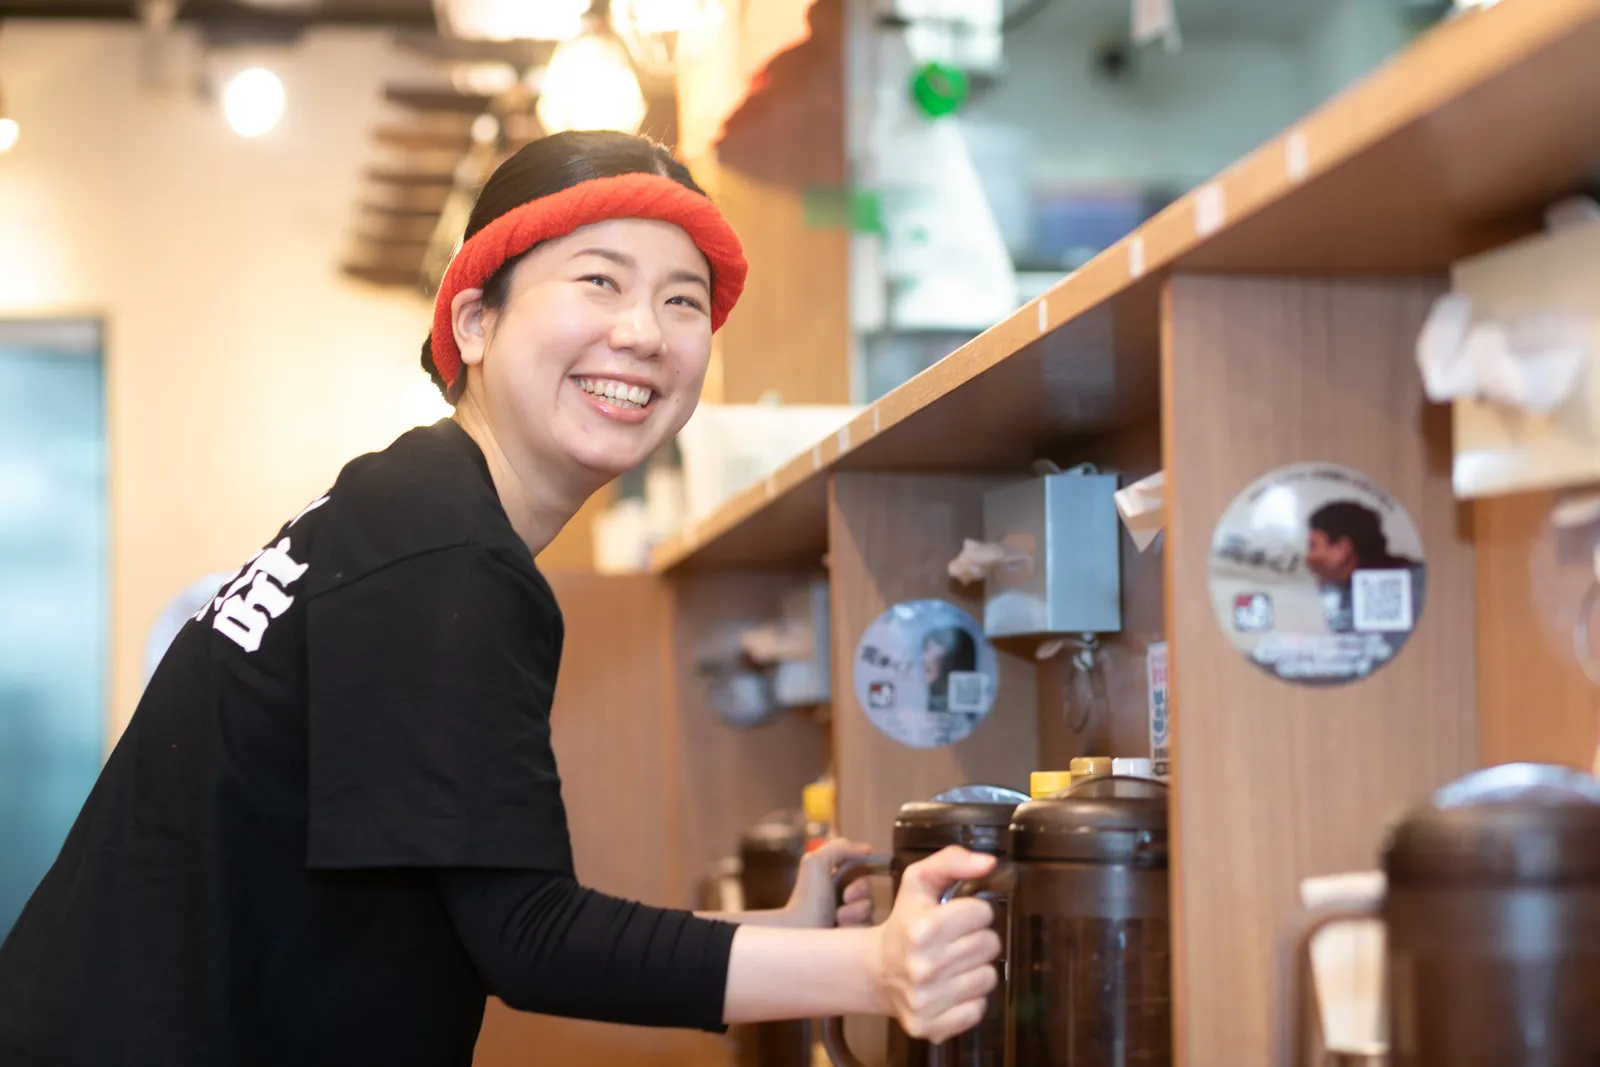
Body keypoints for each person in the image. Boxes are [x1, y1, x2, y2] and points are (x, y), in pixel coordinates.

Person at [0, 132, 1002, 1066]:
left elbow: (476, 917)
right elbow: (531, 938)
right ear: (474, 321)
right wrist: (874, 968)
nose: (642, 333)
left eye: (683, 300)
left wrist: (788, 939)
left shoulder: (407, 506)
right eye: (600, 280)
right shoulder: (442, 551)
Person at [1303, 499, 1426, 634]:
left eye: (1313, 546)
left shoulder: (1408, 589)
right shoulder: (1347, 594)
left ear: (1342, 549)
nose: (1308, 558)